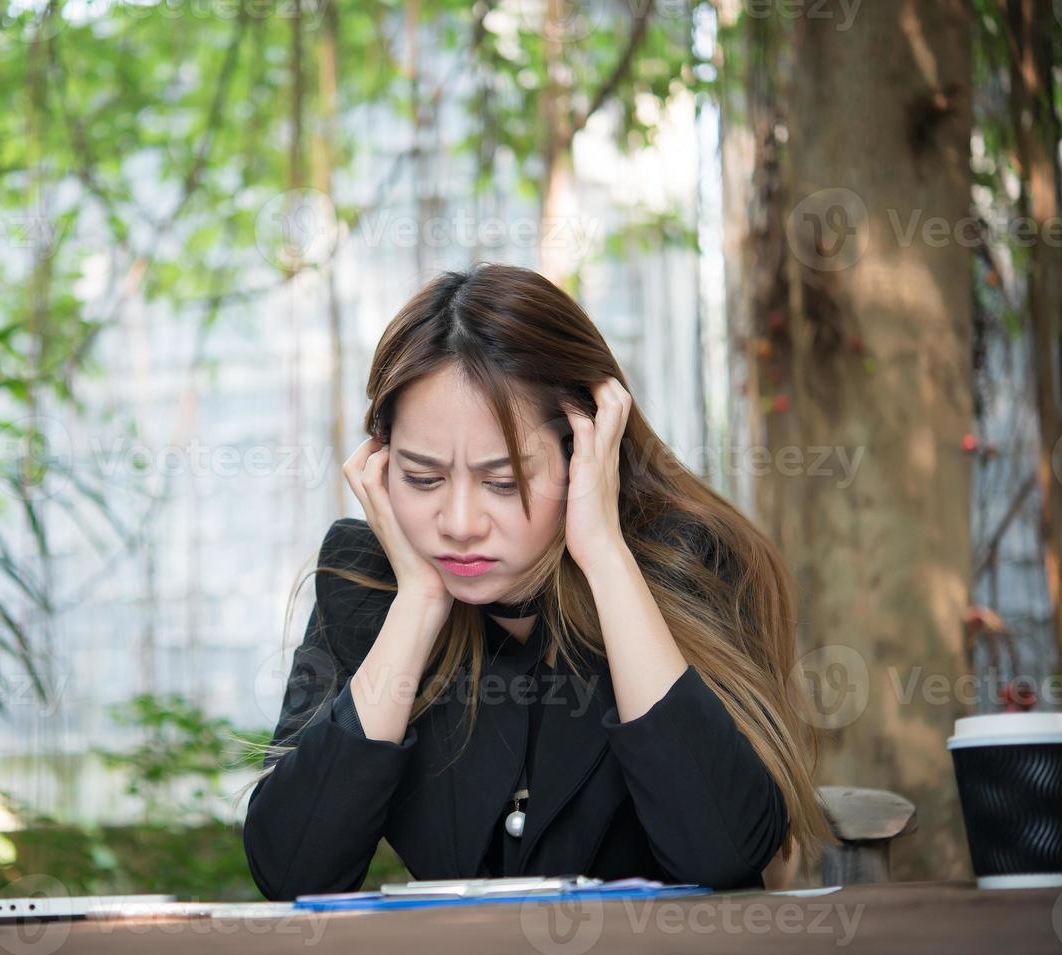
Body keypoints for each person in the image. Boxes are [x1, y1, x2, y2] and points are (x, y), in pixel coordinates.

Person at [238, 262, 835, 902]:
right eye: (422, 478)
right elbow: (293, 869)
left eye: (505, 482)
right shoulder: (367, 583)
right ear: (380, 466)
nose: (459, 524)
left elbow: (722, 851)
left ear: (584, 455)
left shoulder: (685, 560)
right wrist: (418, 603)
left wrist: (604, 555)